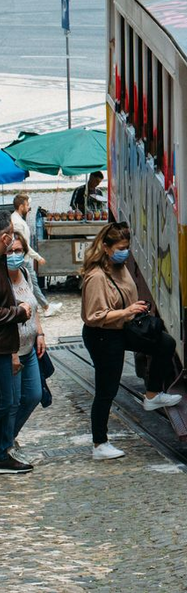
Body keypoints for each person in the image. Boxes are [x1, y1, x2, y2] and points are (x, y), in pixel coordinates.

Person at [81, 222, 181, 461]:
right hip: (102, 334)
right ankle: (99, 444)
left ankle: (152, 395)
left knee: (164, 343)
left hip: (121, 328)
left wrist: (135, 310)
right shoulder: (96, 277)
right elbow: (94, 317)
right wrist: (127, 311)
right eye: (121, 247)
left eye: (127, 246)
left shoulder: (121, 266)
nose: (125, 251)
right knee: (107, 389)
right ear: (106, 247)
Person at [3, 234, 43, 464]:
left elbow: (33, 307)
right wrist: (12, 354)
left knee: (34, 396)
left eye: (19, 250)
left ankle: (8, 439)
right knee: (12, 402)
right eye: (10, 251)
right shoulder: (2, 281)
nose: (15, 255)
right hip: (12, 351)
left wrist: (40, 333)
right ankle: (5, 447)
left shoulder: (26, 273)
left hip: (30, 348)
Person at [0, 218, 33, 475]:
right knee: (7, 402)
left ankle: (6, 448)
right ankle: (3, 453)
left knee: (14, 400)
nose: (11, 243)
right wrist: (19, 312)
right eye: (8, 238)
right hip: (4, 346)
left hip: (11, 344)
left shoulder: (8, 267)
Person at [9, 194, 60, 317]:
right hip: (24, 259)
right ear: (21, 206)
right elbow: (24, 245)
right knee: (32, 284)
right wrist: (37, 257)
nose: (29, 207)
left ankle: (43, 306)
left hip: (25, 257)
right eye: (27, 205)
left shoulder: (18, 219)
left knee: (32, 283)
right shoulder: (17, 222)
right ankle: (45, 307)